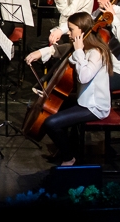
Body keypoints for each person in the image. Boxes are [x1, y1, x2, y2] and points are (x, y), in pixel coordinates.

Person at [27, 0, 120, 93]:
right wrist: (59, 32)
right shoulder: (99, 13)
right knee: (68, 71)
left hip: (119, 71)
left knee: (78, 80)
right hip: (98, 65)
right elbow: (82, 25)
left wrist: (114, 18)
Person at [32, 11, 113, 166]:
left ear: (82, 31)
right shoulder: (83, 48)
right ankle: (67, 147)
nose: (68, 33)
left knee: (51, 123)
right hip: (83, 100)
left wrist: (78, 52)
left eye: (71, 29)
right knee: (53, 107)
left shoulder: (96, 52)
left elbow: (84, 77)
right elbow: (63, 52)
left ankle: (69, 157)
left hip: (94, 106)